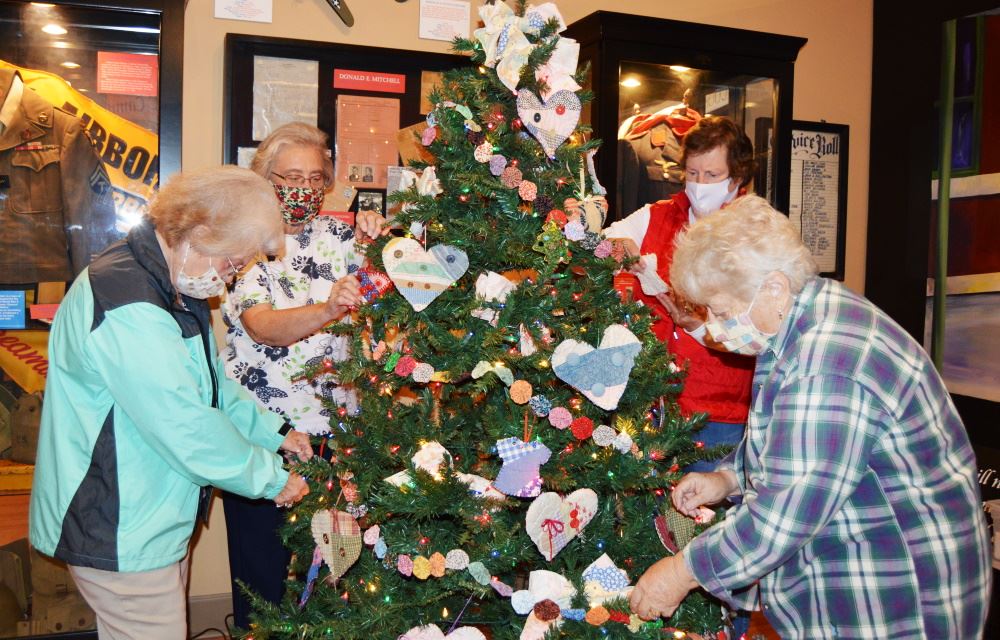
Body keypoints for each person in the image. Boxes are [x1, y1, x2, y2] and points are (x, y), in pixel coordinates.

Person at [629, 195, 992, 639]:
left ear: (774, 288)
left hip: (900, 593)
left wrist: (680, 572)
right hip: (858, 567)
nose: (717, 328)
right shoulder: (797, 321)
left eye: (722, 311)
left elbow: (785, 513)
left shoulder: (829, 362)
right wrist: (729, 479)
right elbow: (786, 440)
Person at [28, 166, 314, 640]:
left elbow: (212, 385)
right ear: (201, 232)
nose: (229, 278)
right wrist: (273, 480)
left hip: (148, 517)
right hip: (117, 522)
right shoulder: (132, 303)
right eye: (231, 261)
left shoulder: (175, 281)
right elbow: (185, 424)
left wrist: (278, 433)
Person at [220, 121, 387, 629]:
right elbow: (264, 327)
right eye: (291, 176)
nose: (305, 189)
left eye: (316, 178)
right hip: (266, 434)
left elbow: (382, 298)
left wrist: (382, 248)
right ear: (264, 177)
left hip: (338, 435)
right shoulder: (241, 242)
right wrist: (330, 306)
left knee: (334, 571)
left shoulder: (339, 237)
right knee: (265, 577)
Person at [605, 115, 756, 473]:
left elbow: (756, 330)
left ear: (737, 178)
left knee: (702, 517)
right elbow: (600, 244)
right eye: (692, 173)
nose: (700, 184)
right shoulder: (658, 215)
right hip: (652, 402)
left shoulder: (755, 233)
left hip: (718, 412)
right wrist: (617, 247)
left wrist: (700, 325)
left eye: (712, 175)